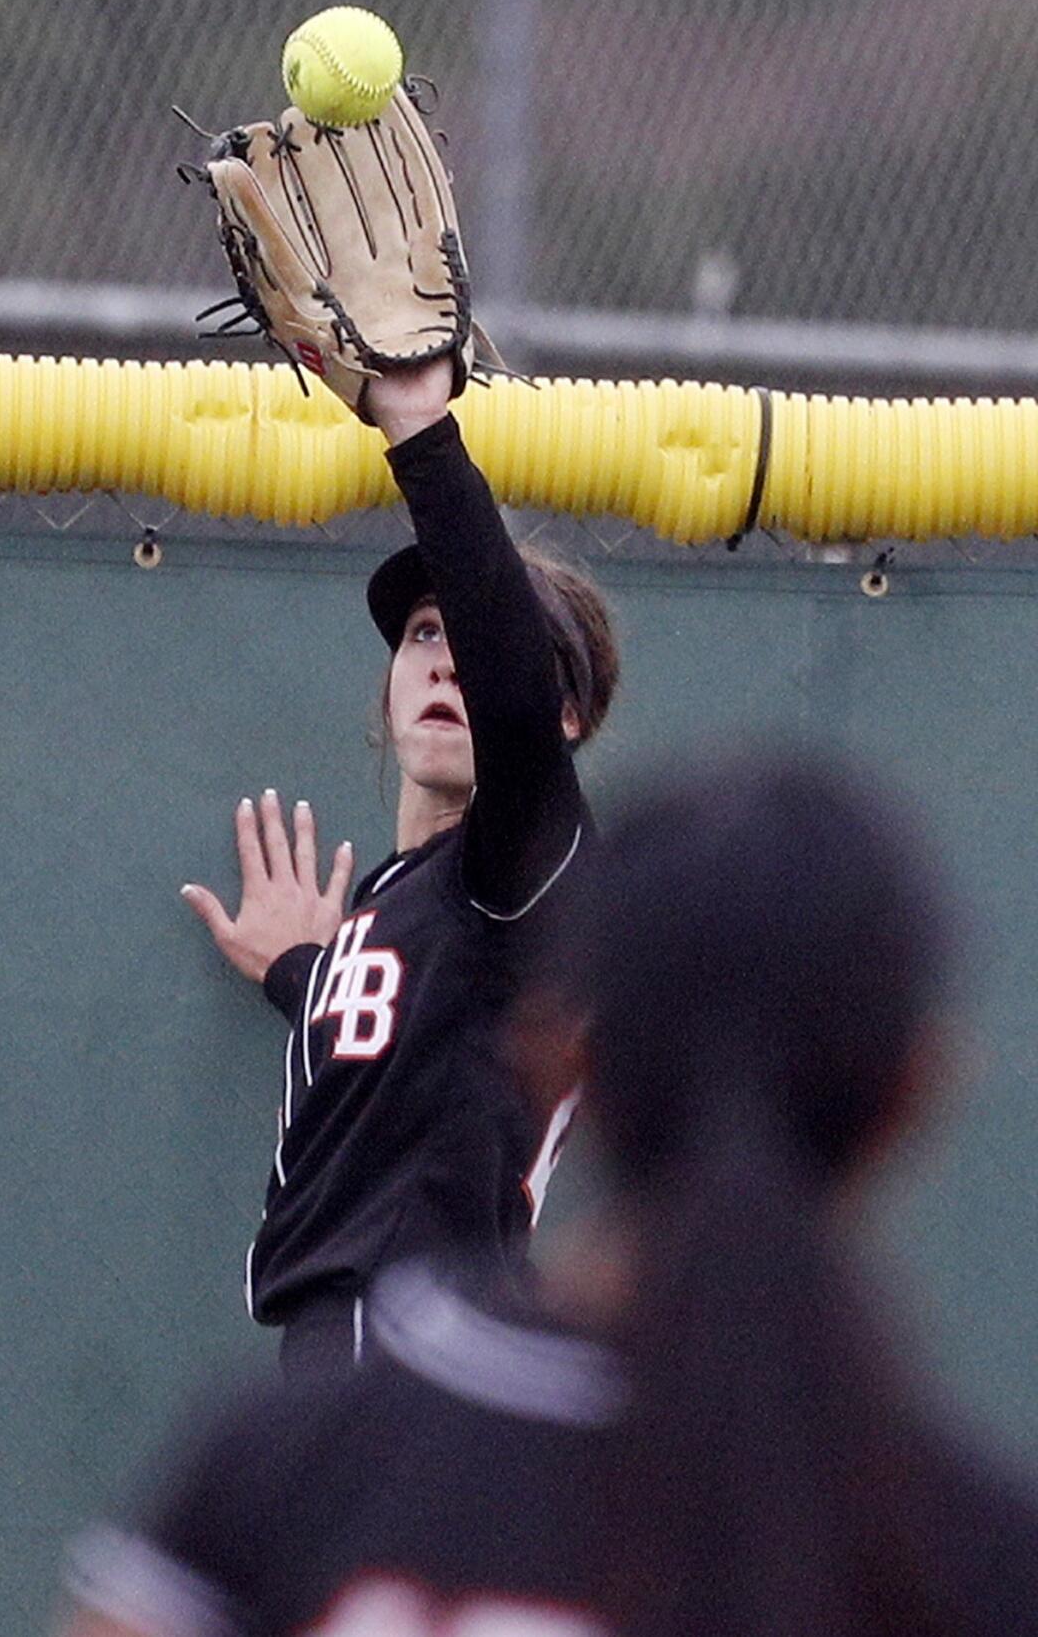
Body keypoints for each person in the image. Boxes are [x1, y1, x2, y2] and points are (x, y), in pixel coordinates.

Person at [62, 747, 1038, 1637]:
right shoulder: (973, 1554)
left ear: (562, 1059)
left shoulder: (285, 1468)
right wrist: (308, 976)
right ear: (917, 1093)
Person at [180, 354, 619, 1379]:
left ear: (564, 720)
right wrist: (301, 969)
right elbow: (425, 1029)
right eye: (424, 633)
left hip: (411, 1336)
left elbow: (509, 696)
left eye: (469, 635)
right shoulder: (403, 896)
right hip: (371, 1340)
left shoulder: (521, 866)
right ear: (386, 686)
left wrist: (420, 431)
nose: (447, 657)